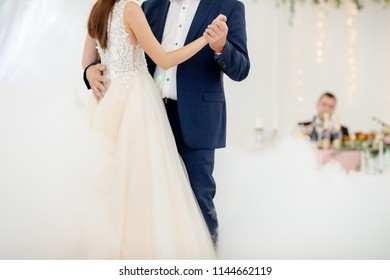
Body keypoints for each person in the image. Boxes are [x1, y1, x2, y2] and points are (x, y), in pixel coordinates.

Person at [84, 0, 250, 246]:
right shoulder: (148, 6)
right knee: (145, 198)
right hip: (145, 117)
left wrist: (220, 46)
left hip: (196, 119)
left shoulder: (229, 7)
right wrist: (89, 71)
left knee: (197, 201)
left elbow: (242, 68)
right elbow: (149, 56)